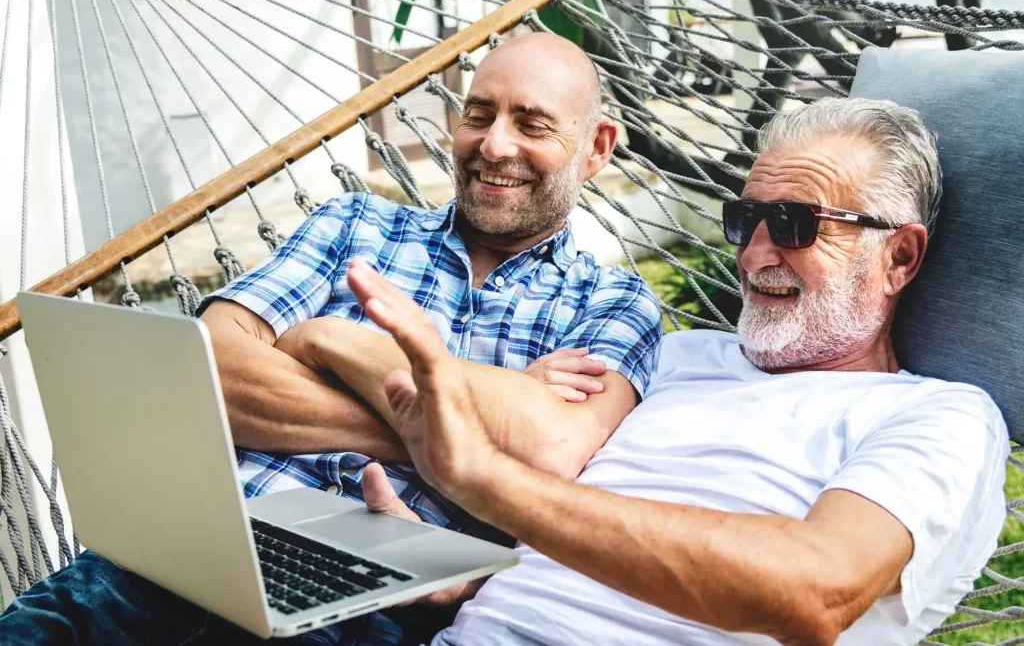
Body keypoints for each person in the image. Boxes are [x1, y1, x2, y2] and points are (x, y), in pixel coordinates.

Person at [0, 33, 662, 645]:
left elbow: (550, 451)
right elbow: (206, 374)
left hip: (381, 598)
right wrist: (459, 431)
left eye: (532, 124)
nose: (493, 145)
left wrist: (332, 340)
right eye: (479, 114)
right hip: (192, 547)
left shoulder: (612, 303)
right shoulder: (356, 224)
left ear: (597, 147)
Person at [345, 97, 1009, 646]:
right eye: (746, 219)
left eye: (794, 224)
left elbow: (816, 592)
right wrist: (465, 579)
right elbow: (572, 535)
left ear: (898, 257)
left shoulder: (941, 417)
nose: (754, 255)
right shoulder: (676, 354)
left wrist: (486, 480)